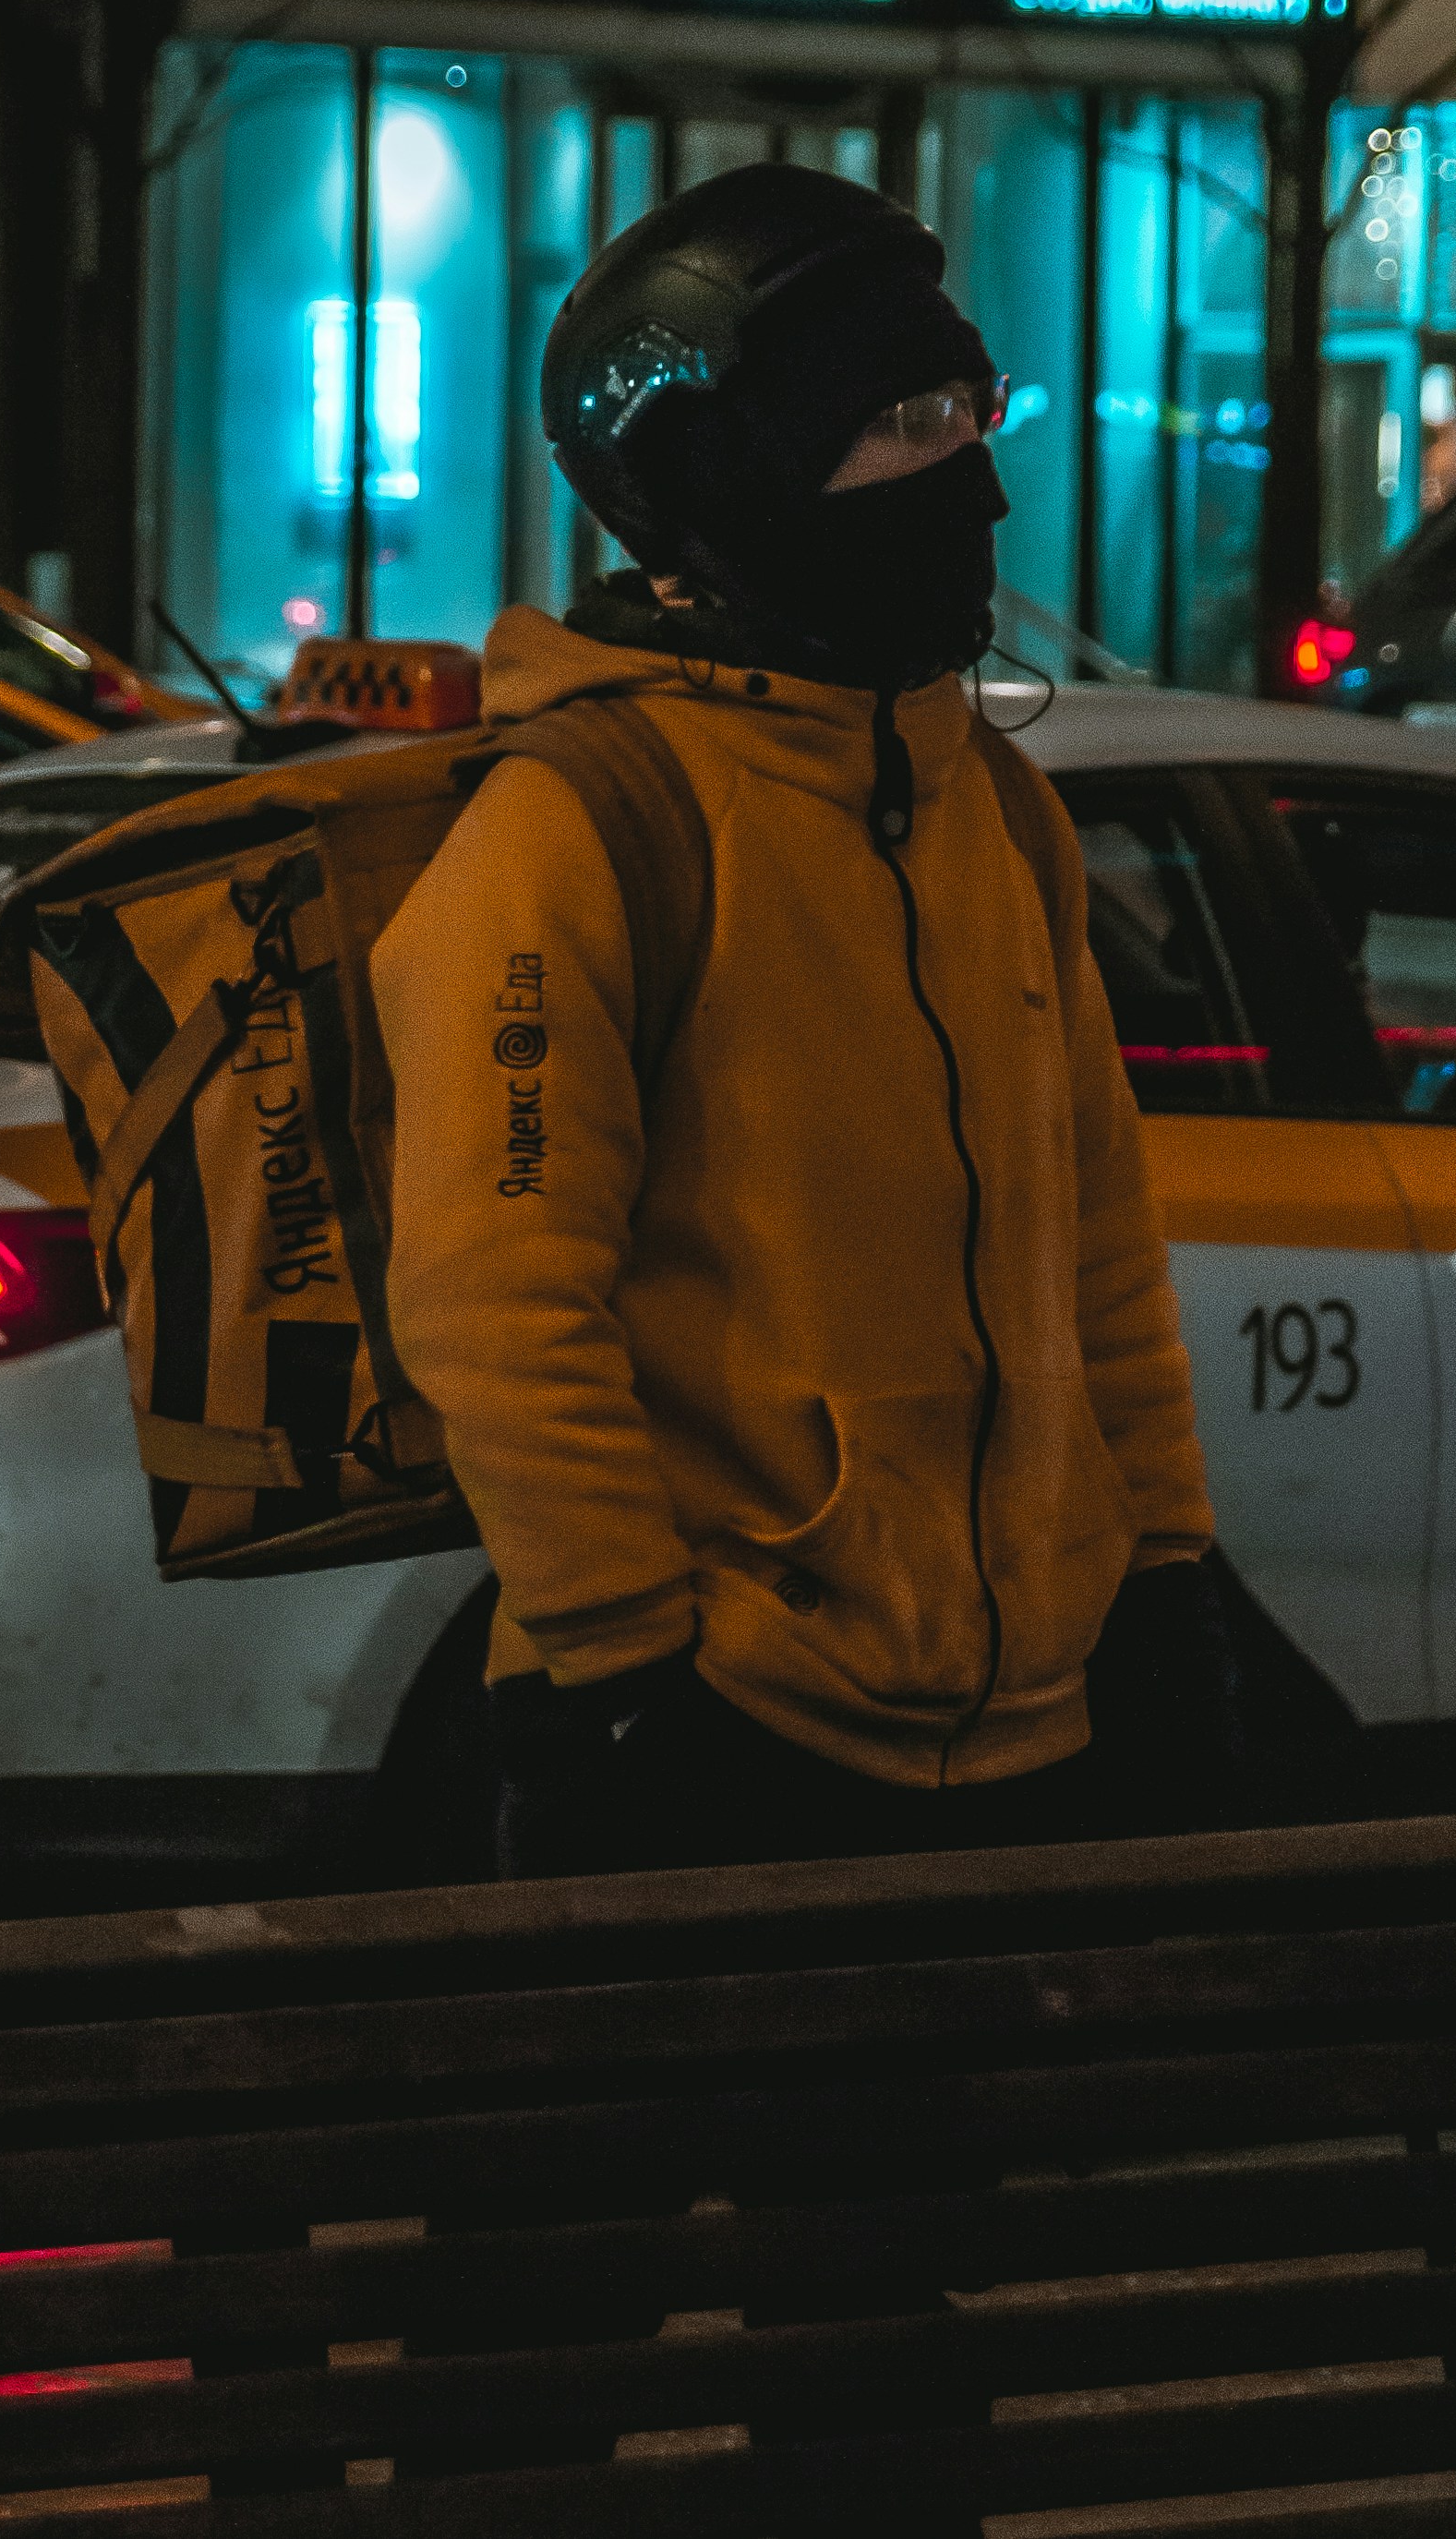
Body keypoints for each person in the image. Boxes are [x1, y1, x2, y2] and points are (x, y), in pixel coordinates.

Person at [369, 162, 1221, 1879]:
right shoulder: (580, 825)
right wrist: (627, 1670)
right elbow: (497, 1296)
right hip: (722, 1735)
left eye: (968, 409)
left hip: (1027, 1727)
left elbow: (1096, 1241)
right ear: (730, 480)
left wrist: (1165, 1566)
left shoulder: (995, 806)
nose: (970, 476)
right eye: (898, 425)